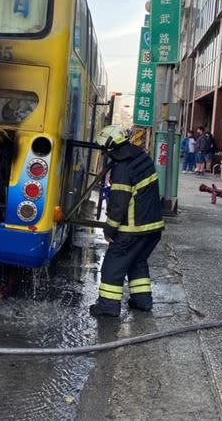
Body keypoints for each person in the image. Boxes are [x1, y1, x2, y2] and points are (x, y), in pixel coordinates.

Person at [89, 125, 165, 317]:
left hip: (133, 229)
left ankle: (108, 306)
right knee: (137, 262)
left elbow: (119, 204)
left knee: (113, 265)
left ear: (110, 149)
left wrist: (110, 229)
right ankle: (142, 301)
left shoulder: (122, 168)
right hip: (153, 228)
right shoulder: (141, 157)